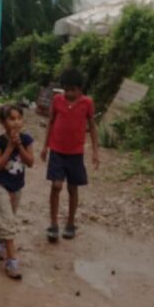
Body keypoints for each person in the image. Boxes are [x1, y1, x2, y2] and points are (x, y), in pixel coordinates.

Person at [40, 68, 100, 243]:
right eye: (66, 89)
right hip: (57, 151)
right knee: (56, 185)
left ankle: (70, 223)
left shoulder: (87, 103)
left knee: (73, 188)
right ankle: (53, 224)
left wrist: (95, 151)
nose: (69, 93)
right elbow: (51, 122)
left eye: (73, 89)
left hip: (75, 153)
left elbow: (93, 127)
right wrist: (45, 147)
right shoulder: (58, 100)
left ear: (80, 89)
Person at [0, 105, 34, 280]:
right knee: (8, 220)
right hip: (0, 184)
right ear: (3, 122)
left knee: (10, 217)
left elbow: (30, 162)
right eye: (11, 119)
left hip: (17, 186)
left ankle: (0, 242)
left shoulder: (27, 139)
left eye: (19, 118)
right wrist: (10, 147)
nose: (16, 122)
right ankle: (12, 261)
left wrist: (20, 147)